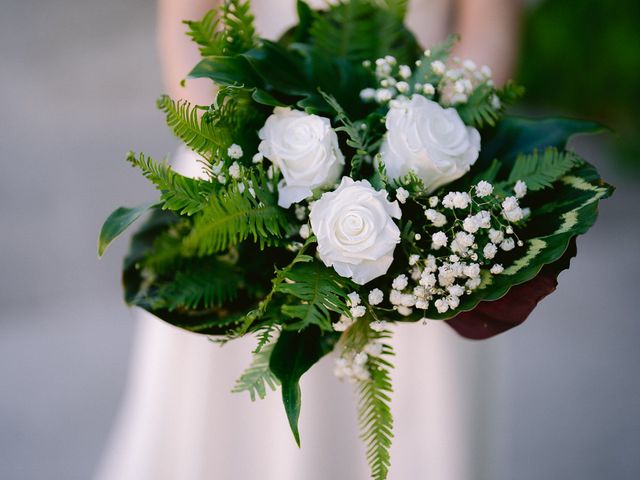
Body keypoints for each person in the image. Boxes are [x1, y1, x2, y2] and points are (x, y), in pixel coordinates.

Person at [96, 1, 520, 479]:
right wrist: (243, 177)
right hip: (242, 198)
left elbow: (488, 27)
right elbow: (189, 25)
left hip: (427, 204)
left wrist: (431, 163)